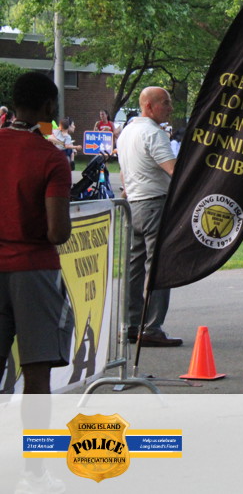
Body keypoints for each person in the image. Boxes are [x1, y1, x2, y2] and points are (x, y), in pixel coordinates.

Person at [0, 73, 73, 494]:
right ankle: (34, 473)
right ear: (47, 107)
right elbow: (57, 231)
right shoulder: (51, 159)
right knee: (36, 378)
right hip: (34, 271)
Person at [117, 86, 182, 347]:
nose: (170, 108)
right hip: (155, 203)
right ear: (148, 106)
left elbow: (123, 173)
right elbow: (173, 170)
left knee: (135, 266)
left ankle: (132, 323)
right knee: (158, 266)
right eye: (165, 103)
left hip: (134, 203)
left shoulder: (127, 132)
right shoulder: (154, 133)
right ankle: (152, 327)